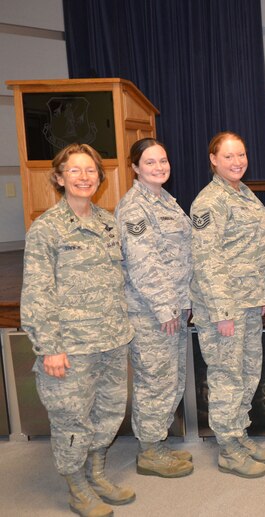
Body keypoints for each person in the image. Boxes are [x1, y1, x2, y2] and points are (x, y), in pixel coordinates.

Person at [21, 143, 135, 517]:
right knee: (71, 419)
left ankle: (97, 472)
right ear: (59, 177)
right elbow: (37, 292)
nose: (84, 177)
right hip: (71, 345)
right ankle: (77, 487)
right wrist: (48, 347)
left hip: (111, 341)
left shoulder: (108, 223)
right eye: (75, 171)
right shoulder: (47, 229)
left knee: (108, 412)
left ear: (100, 179)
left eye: (90, 171)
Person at [190, 131, 265, 478]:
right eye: (228, 157)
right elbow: (206, 261)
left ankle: (239, 434)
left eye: (241, 155)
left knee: (248, 372)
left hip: (249, 302)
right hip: (224, 308)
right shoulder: (209, 201)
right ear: (213, 159)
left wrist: (261, 294)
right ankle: (227, 448)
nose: (237, 162)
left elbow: (253, 249)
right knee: (227, 376)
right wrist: (223, 312)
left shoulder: (243, 193)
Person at [114, 138, 194, 478]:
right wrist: (164, 309)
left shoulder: (165, 200)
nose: (159, 167)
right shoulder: (135, 208)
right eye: (150, 162)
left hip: (173, 308)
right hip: (152, 313)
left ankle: (156, 442)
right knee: (155, 381)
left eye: (163, 160)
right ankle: (149, 451)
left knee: (171, 380)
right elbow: (144, 264)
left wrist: (183, 303)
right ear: (134, 167)